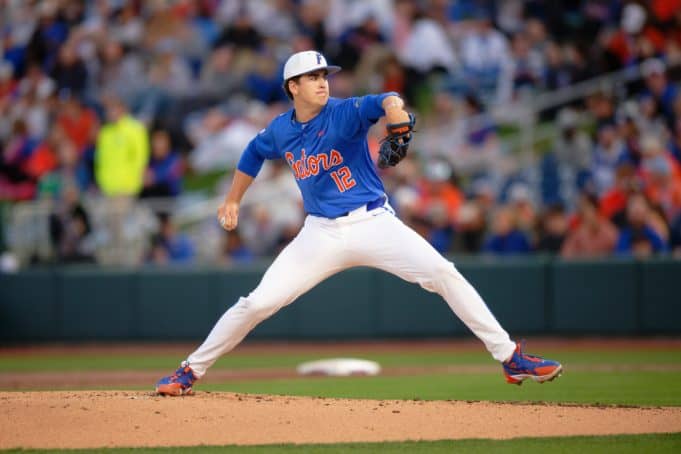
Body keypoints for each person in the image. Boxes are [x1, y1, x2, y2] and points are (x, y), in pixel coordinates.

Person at [155, 51, 562, 396]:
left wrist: (395, 109)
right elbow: (252, 152)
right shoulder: (280, 129)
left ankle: (510, 358)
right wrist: (232, 199)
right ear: (292, 87)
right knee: (257, 303)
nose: (322, 82)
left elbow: (385, 99)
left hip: (373, 223)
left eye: (324, 75)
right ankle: (190, 371)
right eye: (311, 77)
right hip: (320, 233)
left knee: (443, 272)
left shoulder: (345, 112)